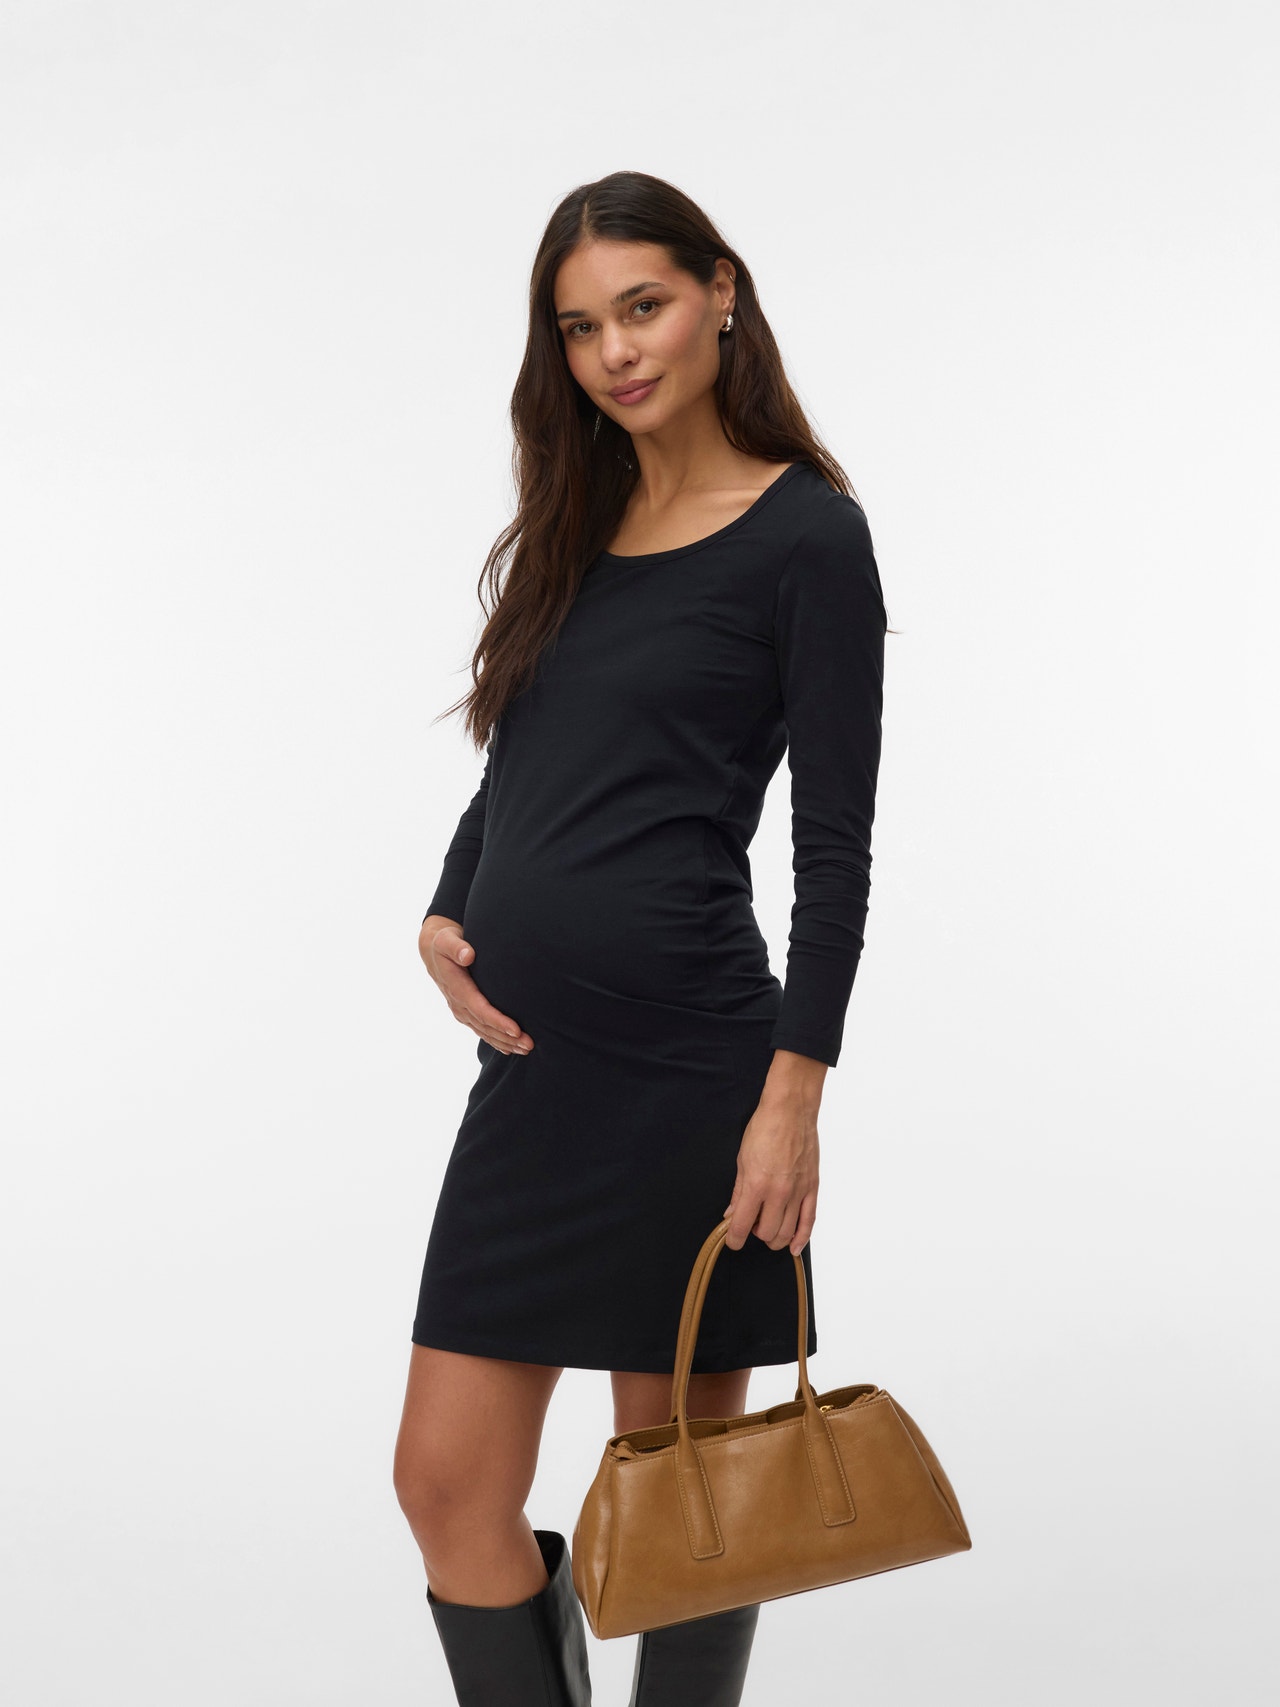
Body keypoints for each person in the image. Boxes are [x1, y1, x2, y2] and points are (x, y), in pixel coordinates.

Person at [393, 169, 889, 1706]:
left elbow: (835, 851)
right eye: (580, 326)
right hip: (536, 1083)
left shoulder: (809, 537)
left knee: (687, 1523)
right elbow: (519, 760)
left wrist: (792, 1100)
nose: (614, 350)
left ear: (720, 292)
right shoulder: (579, 518)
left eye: (644, 306)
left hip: (691, 1078)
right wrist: (451, 902)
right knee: (444, 1484)